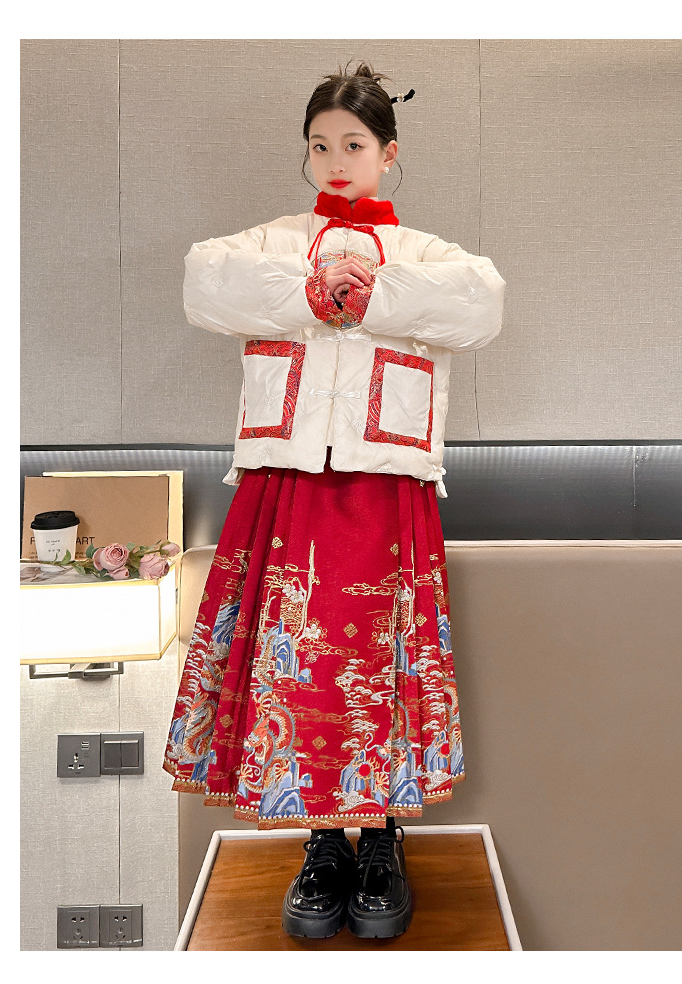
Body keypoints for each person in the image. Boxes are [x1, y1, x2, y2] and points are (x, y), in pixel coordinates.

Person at [163, 62, 505, 941]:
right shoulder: (277, 241)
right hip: (286, 481)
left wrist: (373, 291)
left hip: (384, 483)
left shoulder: (427, 255)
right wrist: (313, 288)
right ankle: (320, 840)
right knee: (296, 667)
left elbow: (481, 306)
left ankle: (382, 837)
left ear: (389, 153)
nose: (335, 160)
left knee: (379, 660)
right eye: (320, 145)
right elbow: (205, 281)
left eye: (354, 144)